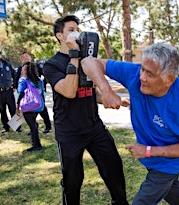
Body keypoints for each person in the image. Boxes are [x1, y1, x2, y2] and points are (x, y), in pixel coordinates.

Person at [81, 43, 179, 205]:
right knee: (172, 191)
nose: (142, 77)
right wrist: (107, 91)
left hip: (169, 163)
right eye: (142, 69)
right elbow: (88, 62)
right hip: (152, 157)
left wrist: (148, 151)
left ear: (169, 79)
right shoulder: (134, 74)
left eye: (150, 74)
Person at [43, 15, 128, 205]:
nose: (77, 33)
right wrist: (74, 56)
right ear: (60, 36)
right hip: (69, 132)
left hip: (93, 127)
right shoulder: (52, 64)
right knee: (73, 181)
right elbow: (68, 91)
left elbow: (91, 92)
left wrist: (114, 98)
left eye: (77, 29)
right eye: (71, 30)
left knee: (113, 168)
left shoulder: (86, 60)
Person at [14, 52, 52, 134]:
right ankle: (33, 127)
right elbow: (16, 78)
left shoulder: (35, 66)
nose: (25, 58)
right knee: (31, 112)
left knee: (43, 110)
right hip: (27, 94)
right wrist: (15, 87)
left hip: (38, 93)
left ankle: (47, 126)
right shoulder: (21, 68)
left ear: (30, 57)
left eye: (26, 56)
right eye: (23, 57)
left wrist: (43, 85)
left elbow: (44, 74)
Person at [16, 62, 44, 152]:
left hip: (28, 105)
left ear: (26, 71)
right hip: (38, 105)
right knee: (33, 123)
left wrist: (17, 106)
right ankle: (35, 141)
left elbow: (20, 93)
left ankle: (37, 144)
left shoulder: (23, 80)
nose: (21, 70)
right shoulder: (40, 80)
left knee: (32, 125)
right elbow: (41, 92)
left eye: (23, 69)